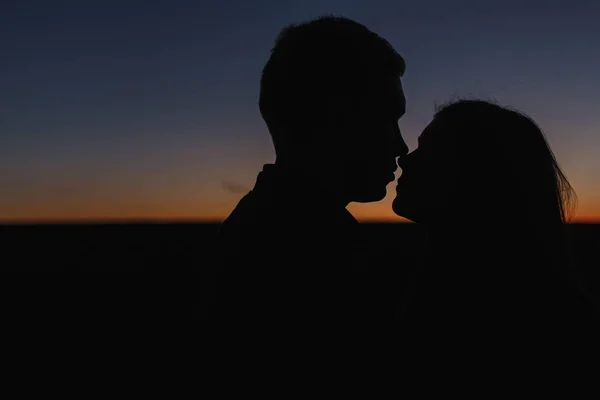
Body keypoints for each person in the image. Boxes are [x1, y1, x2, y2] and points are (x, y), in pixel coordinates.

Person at [213, 16, 409, 334]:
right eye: (384, 119)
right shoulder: (304, 252)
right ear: (329, 118)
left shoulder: (286, 229)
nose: (401, 147)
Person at [392, 99, 600, 343]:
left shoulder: (552, 319)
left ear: (484, 175)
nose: (405, 160)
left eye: (432, 150)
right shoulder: (429, 285)